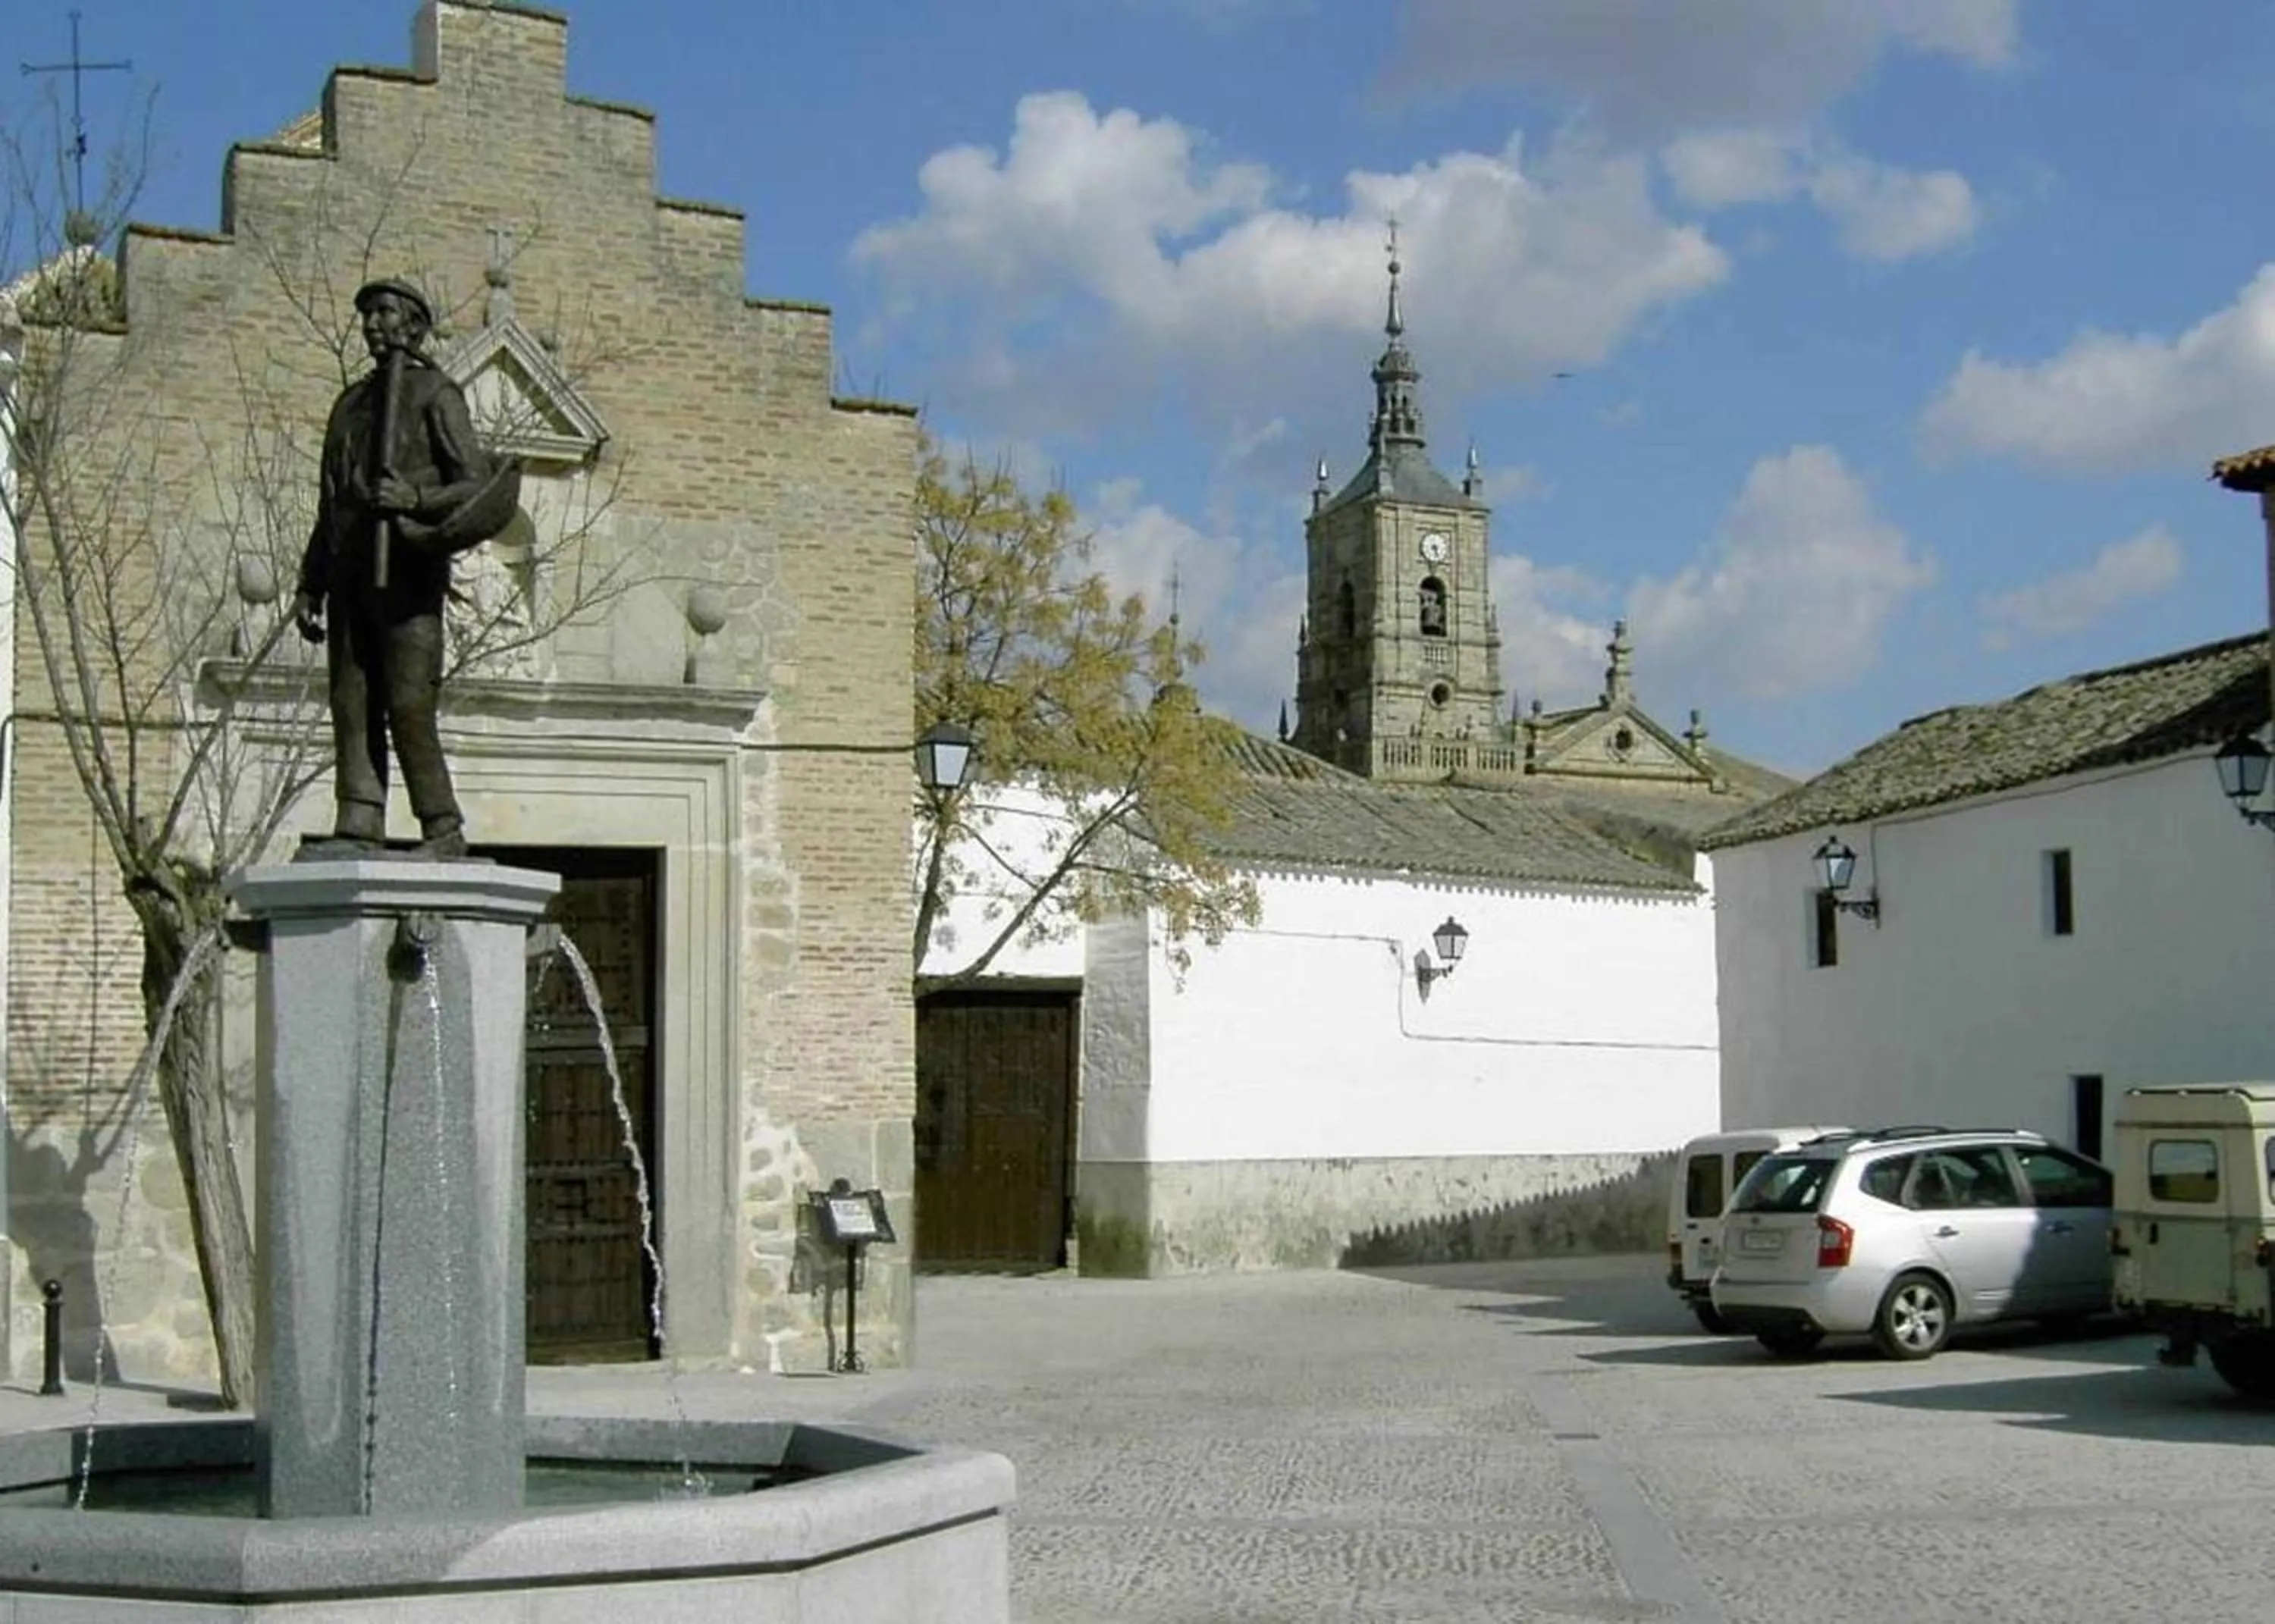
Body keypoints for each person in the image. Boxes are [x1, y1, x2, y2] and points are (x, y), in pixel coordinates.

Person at [293, 277, 518, 859]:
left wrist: (413, 500)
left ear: (414, 325)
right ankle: (360, 818)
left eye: (385, 312)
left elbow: (474, 482)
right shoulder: (349, 406)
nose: (372, 323)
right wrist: (310, 580)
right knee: (351, 700)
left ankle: (442, 827)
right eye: (367, 313)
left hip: (409, 576)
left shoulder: (435, 394)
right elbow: (332, 500)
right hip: (349, 573)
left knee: (409, 703)